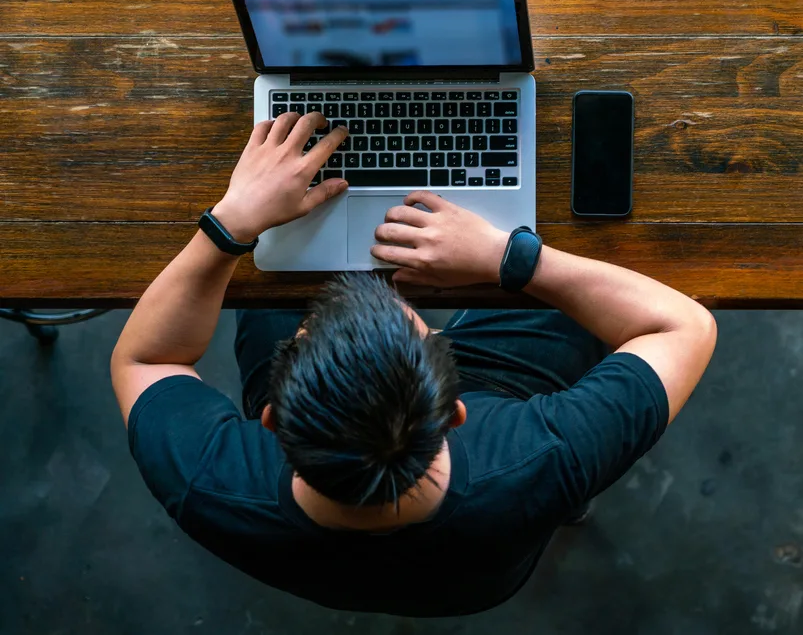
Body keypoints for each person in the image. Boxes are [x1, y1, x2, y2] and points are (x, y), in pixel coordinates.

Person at [112, 111, 717, 617]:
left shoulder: (209, 483)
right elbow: (683, 325)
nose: (385, 289)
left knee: (275, 271)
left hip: (365, 569)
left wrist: (230, 227)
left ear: (271, 420)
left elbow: (148, 357)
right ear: (457, 412)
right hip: (484, 573)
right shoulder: (545, 458)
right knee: (583, 279)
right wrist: (508, 255)